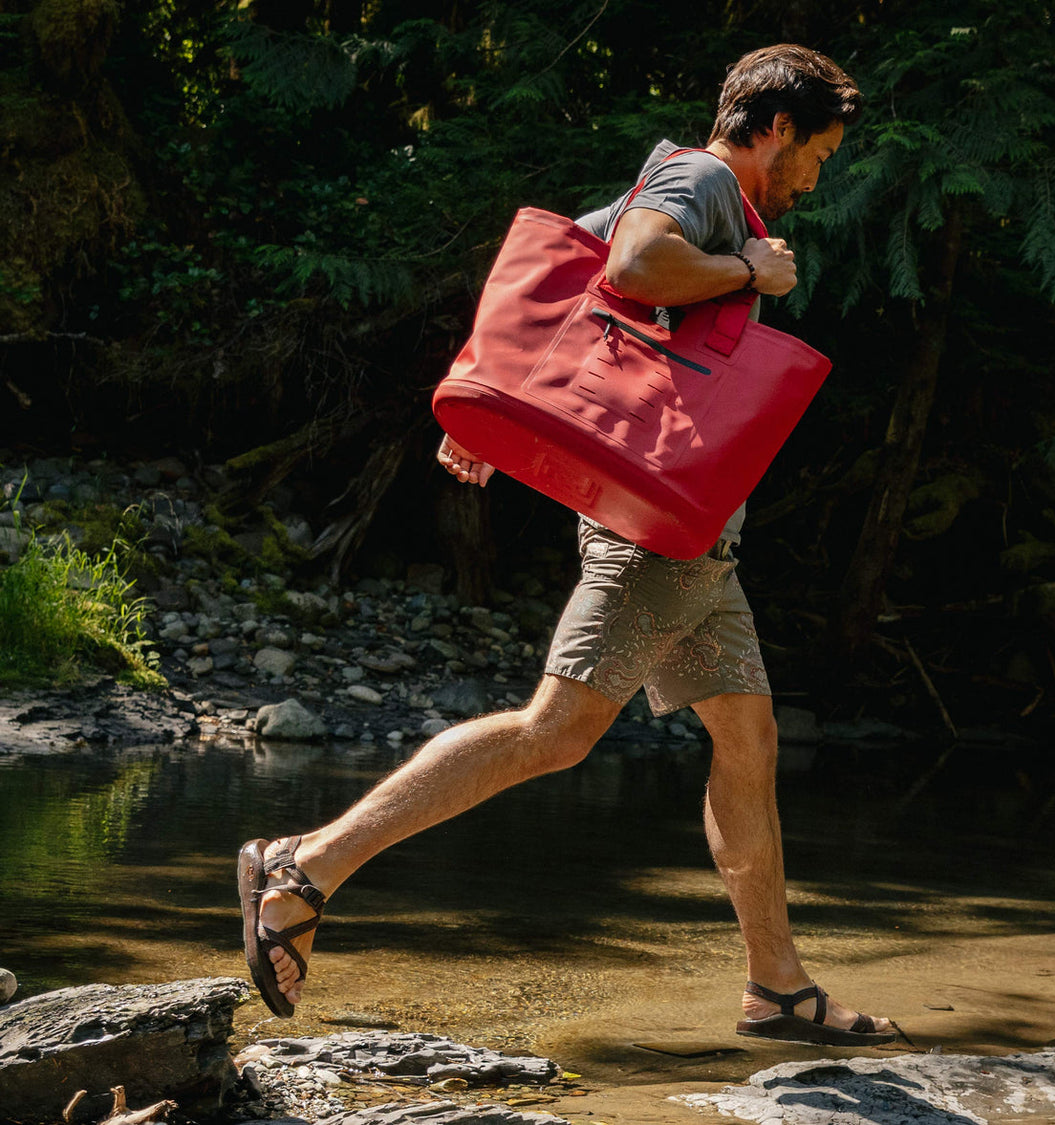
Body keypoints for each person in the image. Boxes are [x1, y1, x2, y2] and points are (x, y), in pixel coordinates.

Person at [238, 43, 894, 1047]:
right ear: (771, 129)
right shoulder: (706, 182)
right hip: (655, 539)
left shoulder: (681, 177)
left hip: (691, 542)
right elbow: (630, 265)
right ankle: (304, 866)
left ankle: (777, 989)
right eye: (816, 153)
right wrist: (742, 269)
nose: (817, 175)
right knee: (555, 732)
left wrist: (499, 408)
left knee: (748, 744)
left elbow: (570, 276)